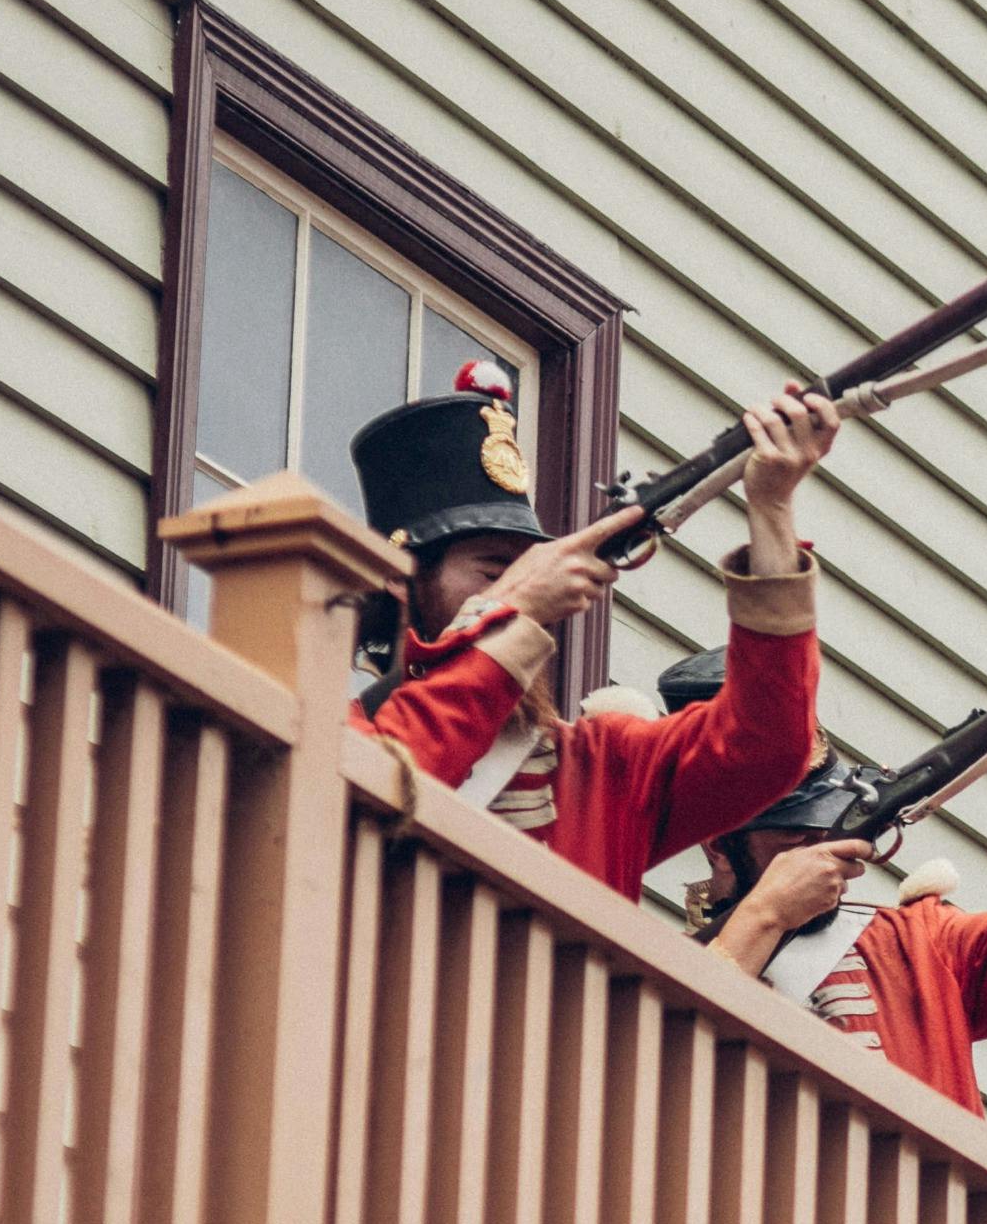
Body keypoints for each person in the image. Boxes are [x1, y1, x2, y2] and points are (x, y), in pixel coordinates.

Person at [347, 366, 836, 899]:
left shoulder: (605, 769)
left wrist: (771, 509)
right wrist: (514, 608)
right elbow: (368, 794)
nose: (526, 587)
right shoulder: (344, 728)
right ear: (400, 576)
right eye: (493, 571)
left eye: (529, 568)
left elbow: (769, 743)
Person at [689, 635, 987, 1111]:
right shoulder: (660, 977)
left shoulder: (917, 946)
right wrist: (767, 914)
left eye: (826, 819)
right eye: (794, 833)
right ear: (719, 847)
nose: (820, 841)